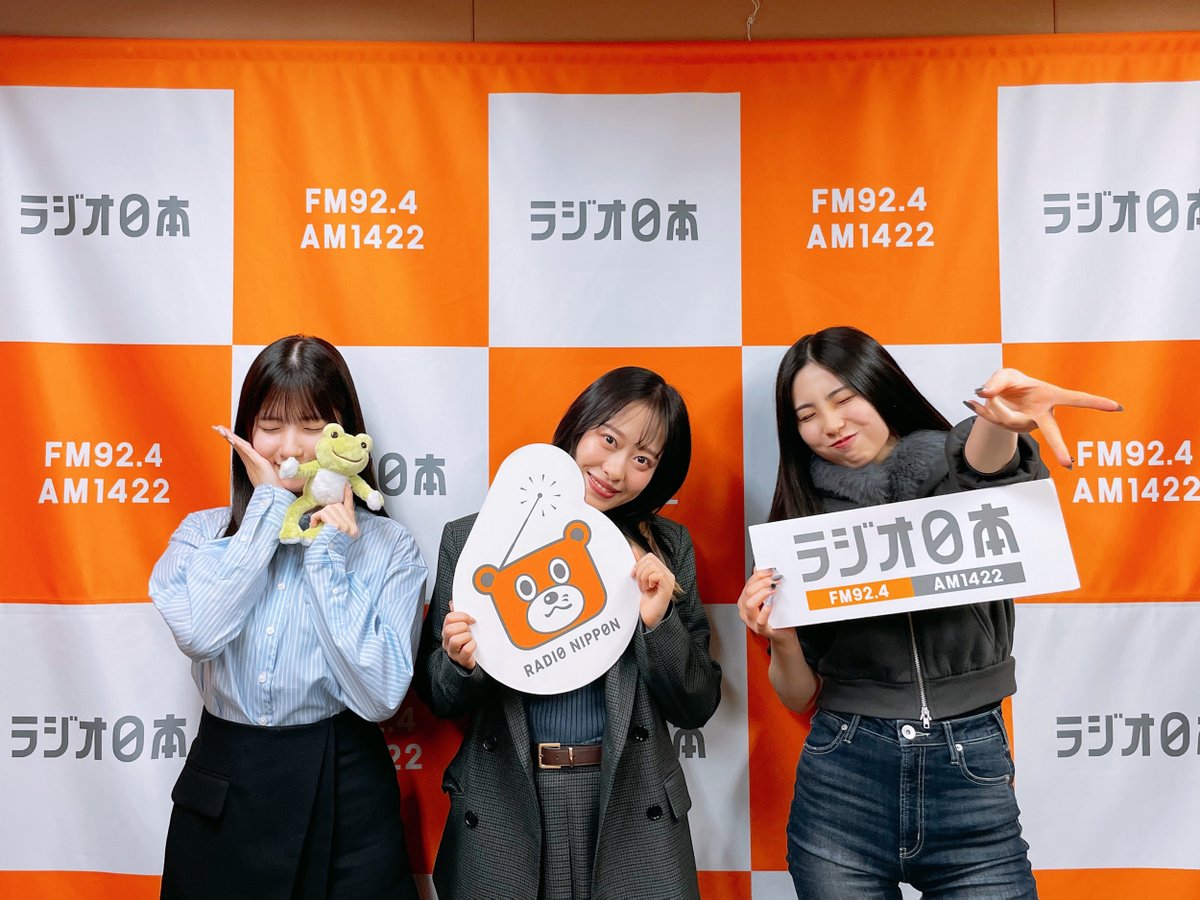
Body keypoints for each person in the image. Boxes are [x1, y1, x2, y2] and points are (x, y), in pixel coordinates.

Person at [737, 326, 1121, 899]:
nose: (831, 425)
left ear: (880, 389)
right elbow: (798, 696)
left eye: (844, 399)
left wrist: (999, 418)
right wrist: (783, 639)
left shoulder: (954, 469)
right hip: (842, 779)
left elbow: (986, 469)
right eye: (807, 415)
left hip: (971, 769)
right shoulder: (799, 520)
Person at [416, 366, 722, 900]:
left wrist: (658, 622)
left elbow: (696, 704)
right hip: (507, 806)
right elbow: (439, 697)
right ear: (578, 428)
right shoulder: (473, 541)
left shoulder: (665, 550)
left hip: (628, 805)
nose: (615, 469)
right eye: (609, 439)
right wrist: (461, 662)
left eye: (643, 459)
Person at [149, 335, 425, 900]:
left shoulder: (389, 546)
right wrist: (268, 508)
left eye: (313, 426)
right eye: (271, 425)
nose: (290, 448)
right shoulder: (201, 535)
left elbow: (380, 698)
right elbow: (201, 634)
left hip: (345, 790)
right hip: (225, 787)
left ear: (345, 433)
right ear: (246, 431)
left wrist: (328, 558)